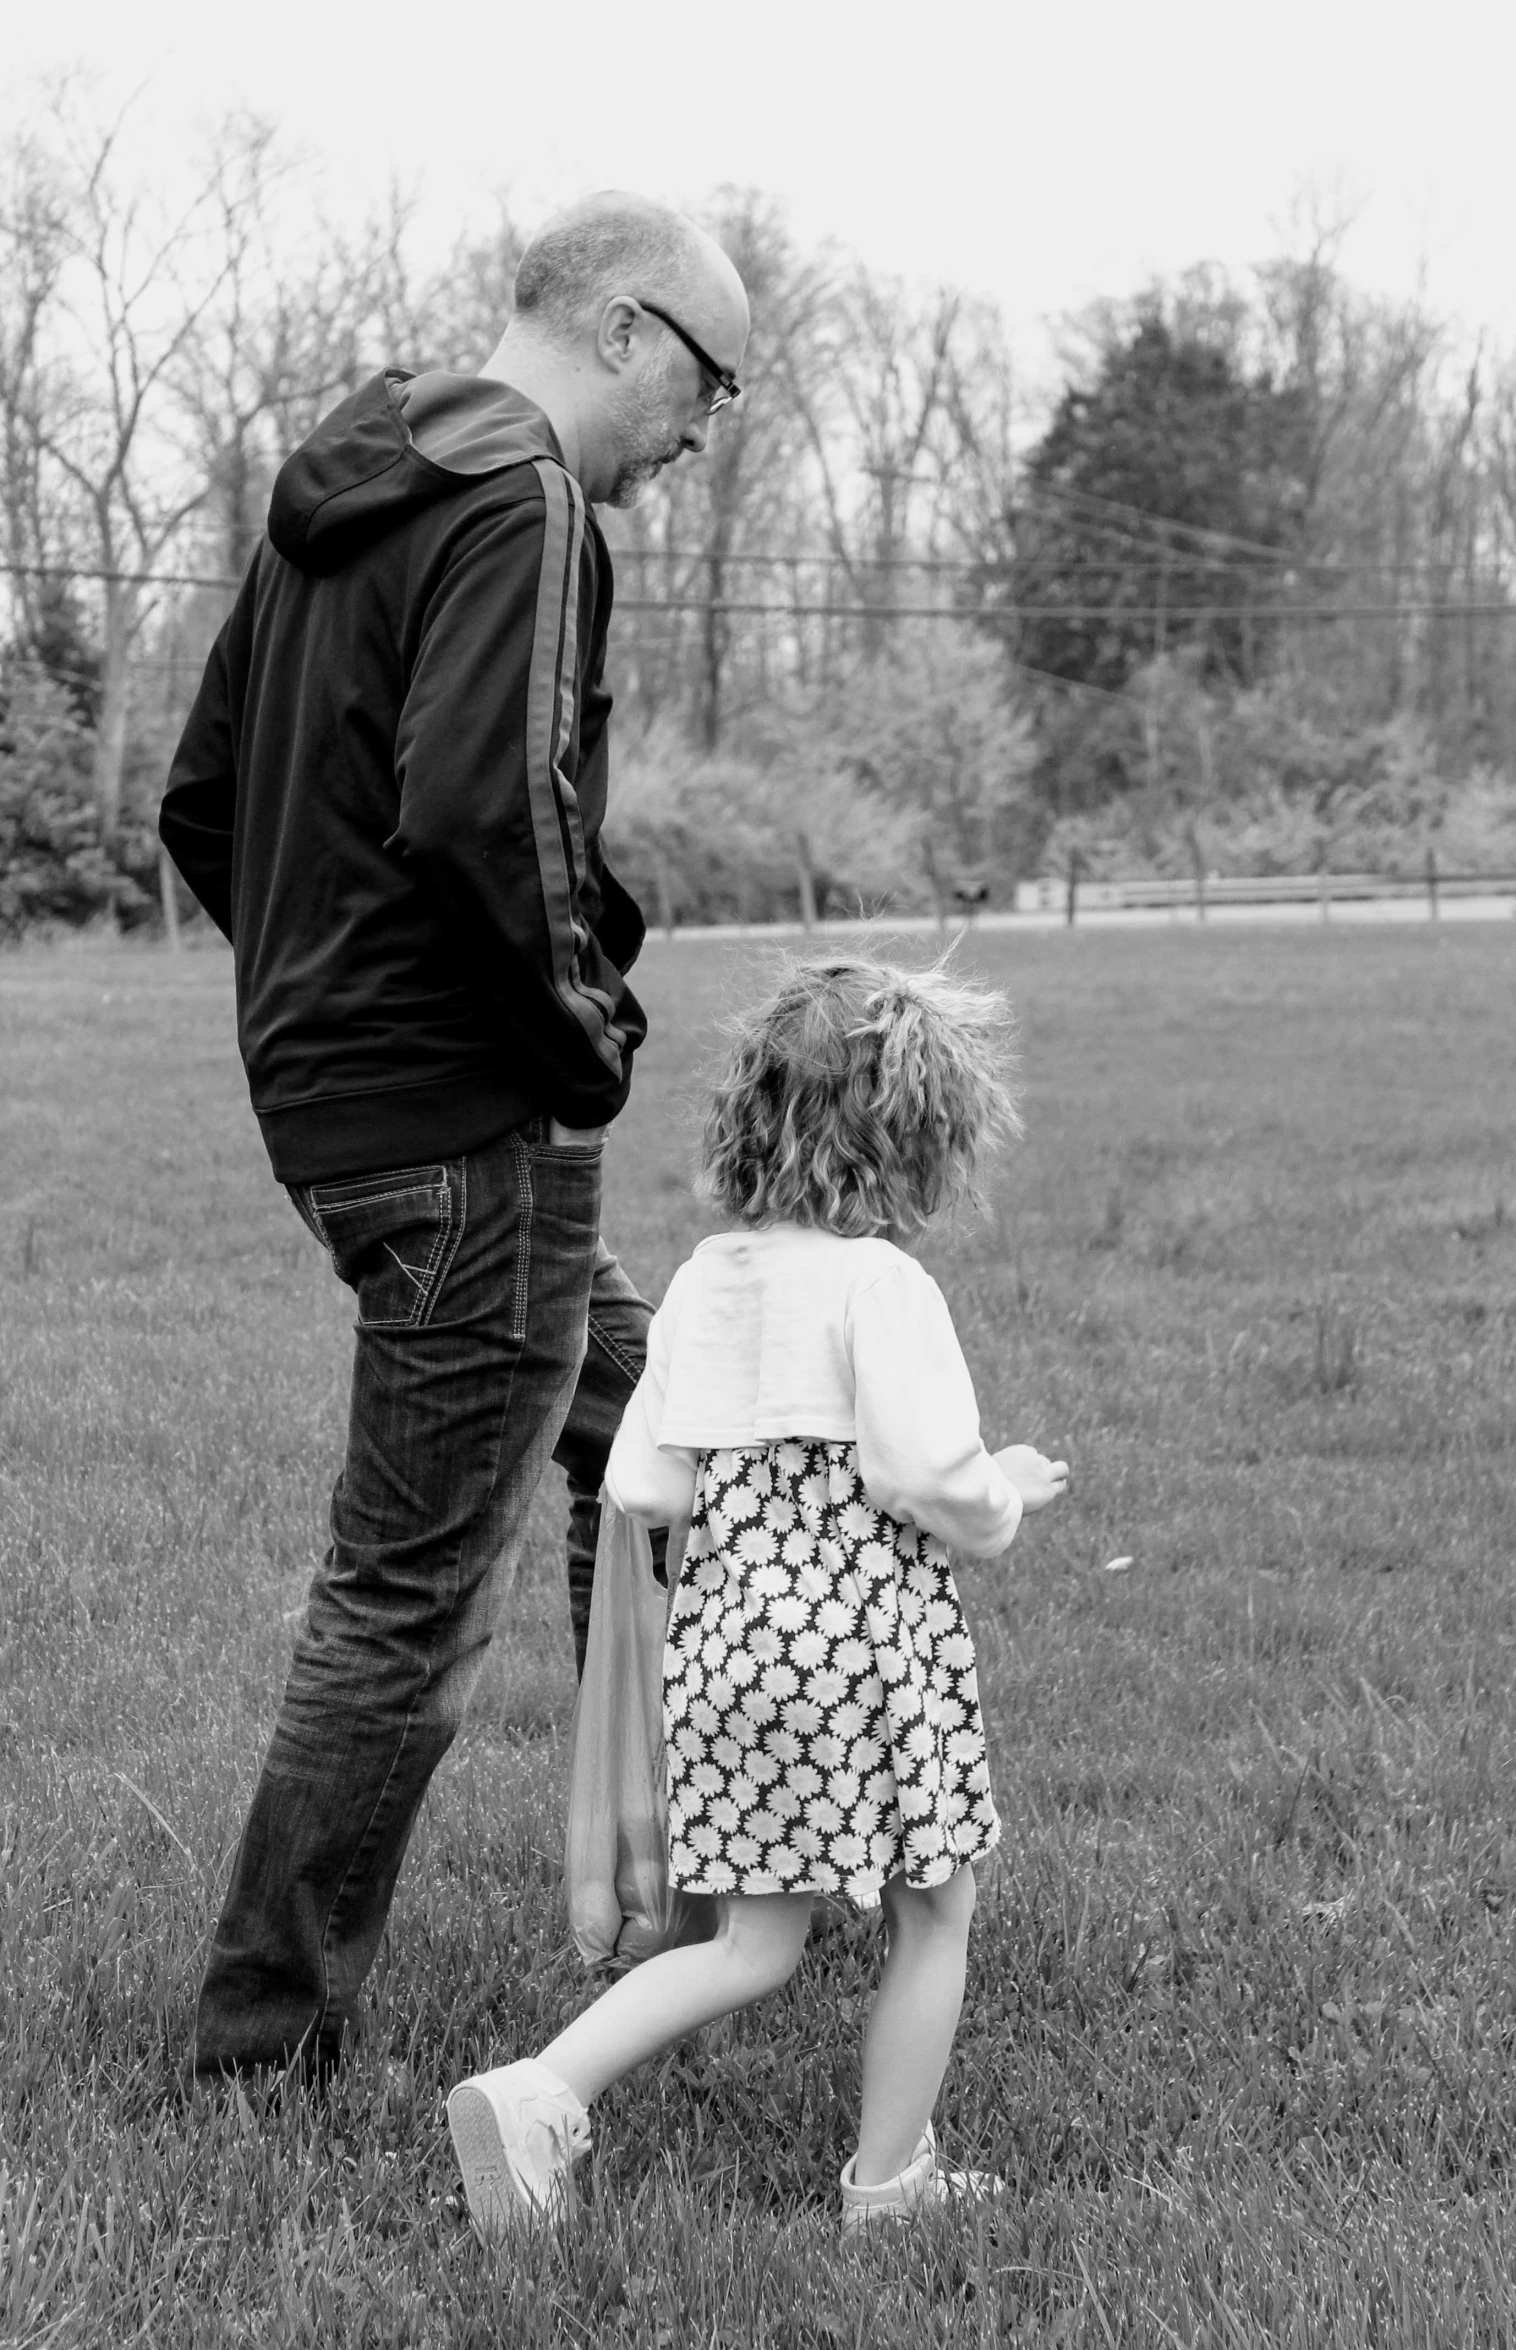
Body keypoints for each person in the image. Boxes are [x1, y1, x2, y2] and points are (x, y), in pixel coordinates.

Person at [158, 193, 750, 2084]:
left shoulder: (349, 483)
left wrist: (331, 1013)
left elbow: (202, 804)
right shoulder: (521, 500)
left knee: (652, 1412)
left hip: (357, 1101)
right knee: (407, 1596)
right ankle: (260, 2043)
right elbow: (489, 811)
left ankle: (683, 1872)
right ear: (631, 330)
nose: (699, 433)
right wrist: (586, 1045)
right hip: (464, 1121)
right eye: (708, 387)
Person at [445, 956, 1069, 2240]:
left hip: (726, 1647)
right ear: (917, 1138)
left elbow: (641, 1479)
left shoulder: (708, 1276)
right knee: (933, 1906)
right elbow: (921, 1472)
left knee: (749, 1943)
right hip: (865, 1652)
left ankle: (539, 2091)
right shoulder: (879, 1285)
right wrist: (1000, 1492)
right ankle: (889, 2186)